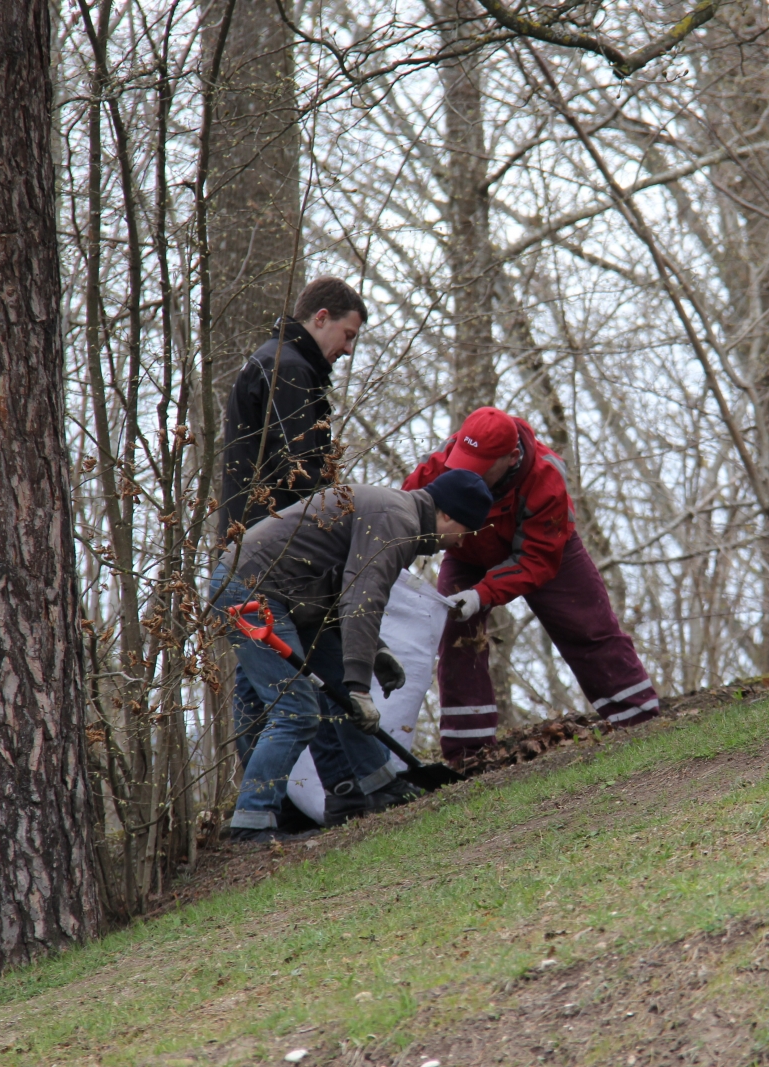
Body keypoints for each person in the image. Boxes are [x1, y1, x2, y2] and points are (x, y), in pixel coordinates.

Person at [211, 470, 493, 842]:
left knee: (326, 693)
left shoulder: (395, 511)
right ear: (449, 517)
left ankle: (377, 785)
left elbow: (341, 589)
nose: (459, 545)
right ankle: (252, 824)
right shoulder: (399, 522)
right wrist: (361, 687)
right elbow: (362, 600)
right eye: (466, 532)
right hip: (254, 590)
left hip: (291, 595)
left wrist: (376, 652)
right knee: (295, 710)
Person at [402, 406, 659, 760]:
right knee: (456, 635)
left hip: (547, 549)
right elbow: (405, 510)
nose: (464, 473)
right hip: (467, 553)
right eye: (463, 460)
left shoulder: (546, 475)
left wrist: (483, 594)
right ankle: (469, 754)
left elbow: (535, 559)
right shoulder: (445, 459)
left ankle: (640, 720)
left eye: (478, 467)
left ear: (511, 458)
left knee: (588, 626)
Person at [217, 276, 364, 781]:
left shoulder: (277, 361)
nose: (348, 350)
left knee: (258, 678)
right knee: (294, 676)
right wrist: (330, 536)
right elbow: (302, 470)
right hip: (274, 553)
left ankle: (282, 800)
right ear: (320, 317)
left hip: (249, 545)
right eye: (347, 335)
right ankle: (319, 792)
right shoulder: (289, 368)